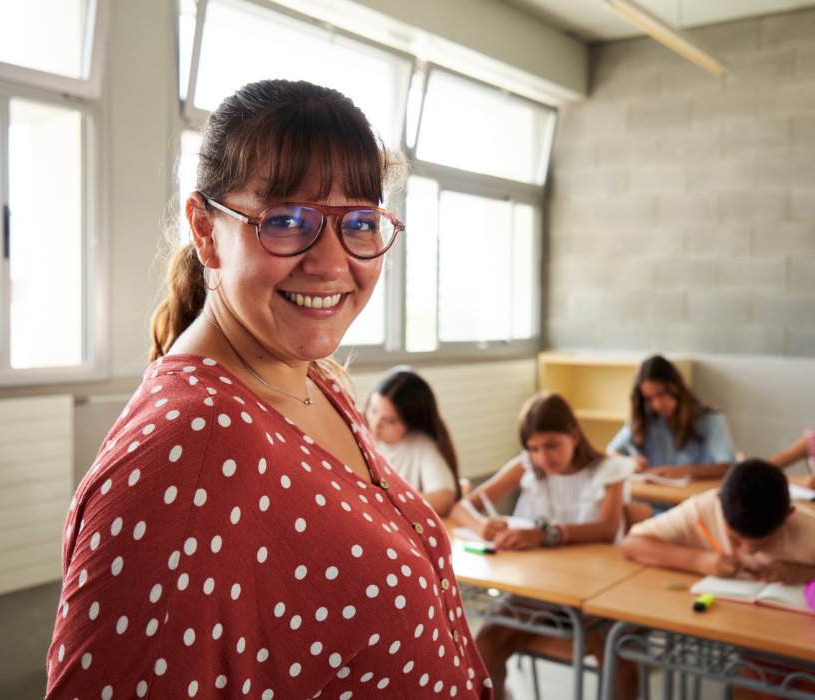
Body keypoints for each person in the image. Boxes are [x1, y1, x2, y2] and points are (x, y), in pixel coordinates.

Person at [45, 80, 491, 699]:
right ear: (205, 230)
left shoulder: (314, 383)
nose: (332, 263)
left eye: (360, 223)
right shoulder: (192, 444)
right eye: (286, 220)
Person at [450, 392, 638, 700]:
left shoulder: (609, 470)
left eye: (551, 445)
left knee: (618, 658)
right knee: (485, 645)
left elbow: (606, 529)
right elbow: (463, 506)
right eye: (533, 448)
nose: (542, 457)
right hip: (540, 590)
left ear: (574, 435)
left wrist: (544, 533)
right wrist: (481, 525)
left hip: (596, 590)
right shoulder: (527, 466)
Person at [622, 459, 815, 588]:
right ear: (718, 503)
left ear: (789, 515)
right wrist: (699, 561)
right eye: (736, 540)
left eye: (764, 544)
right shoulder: (704, 505)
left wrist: (810, 575)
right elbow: (632, 544)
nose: (747, 551)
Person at [607, 354, 735, 480]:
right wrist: (628, 462)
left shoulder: (710, 419)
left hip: (691, 497)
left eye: (661, 394)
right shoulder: (645, 419)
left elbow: (726, 467)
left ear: (676, 386)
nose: (657, 404)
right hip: (653, 496)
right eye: (649, 399)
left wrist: (683, 471)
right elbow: (611, 452)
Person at [364, 366, 461, 516]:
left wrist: (384, 501)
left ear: (411, 423)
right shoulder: (359, 434)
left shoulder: (420, 445)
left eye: (389, 420)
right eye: (373, 410)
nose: (375, 424)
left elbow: (444, 499)